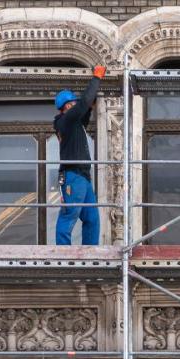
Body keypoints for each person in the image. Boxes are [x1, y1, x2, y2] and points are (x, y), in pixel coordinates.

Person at [53, 65, 105, 245]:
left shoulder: (73, 123)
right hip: (73, 175)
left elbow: (84, 110)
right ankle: (63, 254)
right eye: (74, 103)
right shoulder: (64, 120)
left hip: (82, 176)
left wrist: (90, 104)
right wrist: (96, 78)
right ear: (68, 106)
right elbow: (82, 105)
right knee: (69, 215)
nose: (77, 106)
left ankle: (90, 253)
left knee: (92, 218)